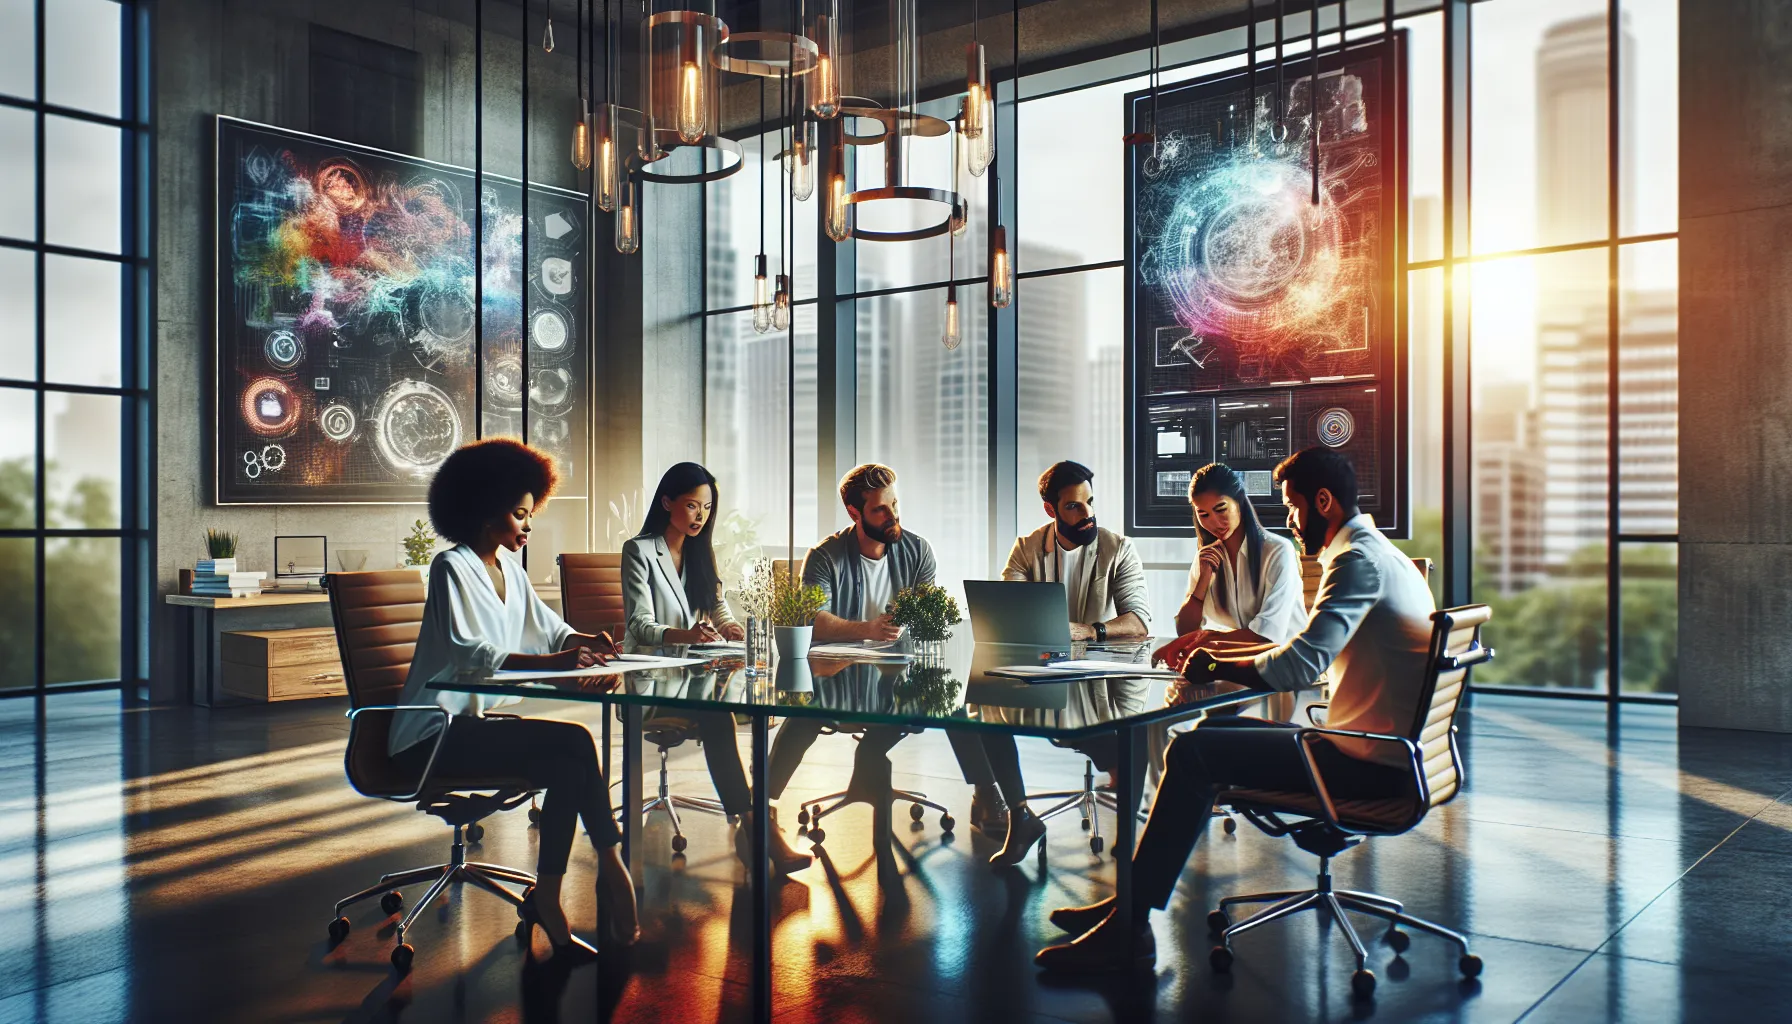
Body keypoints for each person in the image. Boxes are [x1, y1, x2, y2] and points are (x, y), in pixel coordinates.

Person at [1035, 447, 1436, 973]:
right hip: (1385, 753)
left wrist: (1214, 663)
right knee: (1198, 745)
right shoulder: (1383, 554)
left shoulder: (1355, 561)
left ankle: (1128, 927)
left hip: (1363, 765)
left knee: (1193, 752)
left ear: (1323, 502)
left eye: (1293, 506)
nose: (1291, 520)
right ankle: (1127, 905)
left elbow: (1299, 663)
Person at [387, 438, 638, 959]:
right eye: (519, 515)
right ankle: (602, 869)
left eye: (530, 515)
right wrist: (557, 663)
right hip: (431, 738)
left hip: (474, 730)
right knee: (573, 746)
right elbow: (469, 653)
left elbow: (551, 632)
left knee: (571, 754)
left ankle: (569, 883)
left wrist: (583, 642)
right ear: (485, 510)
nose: (528, 526)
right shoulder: (451, 567)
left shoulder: (511, 571)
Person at [766, 464, 1009, 837]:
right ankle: (761, 806)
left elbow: (929, 619)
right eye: (880, 509)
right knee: (805, 712)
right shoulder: (825, 556)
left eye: (894, 504)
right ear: (855, 512)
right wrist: (867, 629)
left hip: (900, 673)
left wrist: (925, 618)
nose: (892, 515)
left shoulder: (917, 550)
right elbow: (812, 619)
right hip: (840, 672)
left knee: (952, 700)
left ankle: (986, 794)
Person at [621, 462, 812, 874]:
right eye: (692, 506)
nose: (700, 516)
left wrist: (728, 626)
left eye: (707, 508)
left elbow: (717, 605)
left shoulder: (699, 551)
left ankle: (755, 820)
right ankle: (756, 827)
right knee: (718, 715)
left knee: (750, 704)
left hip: (695, 676)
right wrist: (686, 634)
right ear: (667, 502)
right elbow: (639, 624)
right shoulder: (639, 551)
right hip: (650, 681)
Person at [976, 461, 1152, 867]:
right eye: (1074, 506)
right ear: (1050, 509)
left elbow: (1139, 622)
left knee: (1135, 730)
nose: (1087, 513)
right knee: (984, 708)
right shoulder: (1027, 548)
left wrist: (1089, 631)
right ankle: (1020, 817)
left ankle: (1128, 830)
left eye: (1090, 502)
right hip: (1046, 673)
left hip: (1100, 680)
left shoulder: (1117, 548)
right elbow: (1008, 610)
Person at [1152, 462, 1308, 727]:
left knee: (1205, 725)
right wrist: (1203, 581)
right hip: (1239, 670)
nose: (1214, 522)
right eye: (1203, 514)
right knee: (1173, 714)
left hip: (1285, 672)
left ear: (1239, 502)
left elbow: (1266, 635)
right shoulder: (1208, 557)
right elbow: (1186, 630)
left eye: (1220, 509)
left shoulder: (1277, 552)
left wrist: (1205, 641)